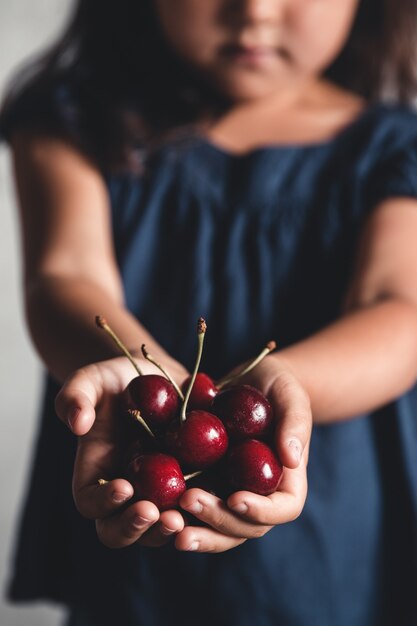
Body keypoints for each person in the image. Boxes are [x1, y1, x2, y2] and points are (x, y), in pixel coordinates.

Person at [1, 0, 417, 624]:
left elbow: (399, 310)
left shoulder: (395, 147)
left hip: (334, 550)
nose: (254, 11)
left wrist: (286, 391)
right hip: (137, 525)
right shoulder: (76, 118)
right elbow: (65, 274)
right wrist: (141, 377)